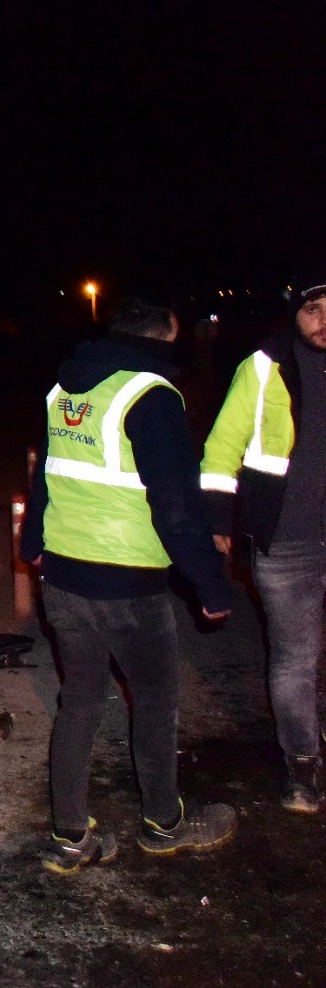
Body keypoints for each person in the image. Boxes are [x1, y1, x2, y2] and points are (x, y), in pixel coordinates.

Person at [21, 295, 235, 874]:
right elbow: (176, 504)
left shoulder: (66, 389)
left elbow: (47, 471)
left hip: (64, 576)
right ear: (165, 335)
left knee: (81, 704)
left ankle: (70, 839)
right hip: (128, 583)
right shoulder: (151, 395)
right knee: (158, 702)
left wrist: (30, 544)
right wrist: (210, 586)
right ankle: (164, 824)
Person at [201, 279, 326, 812]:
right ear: (296, 314)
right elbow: (220, 448)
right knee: (296, 659)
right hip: (287, 540)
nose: (324, 319)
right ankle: (302, 765)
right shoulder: (263, 366)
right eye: (315, 309)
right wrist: (216, 519)